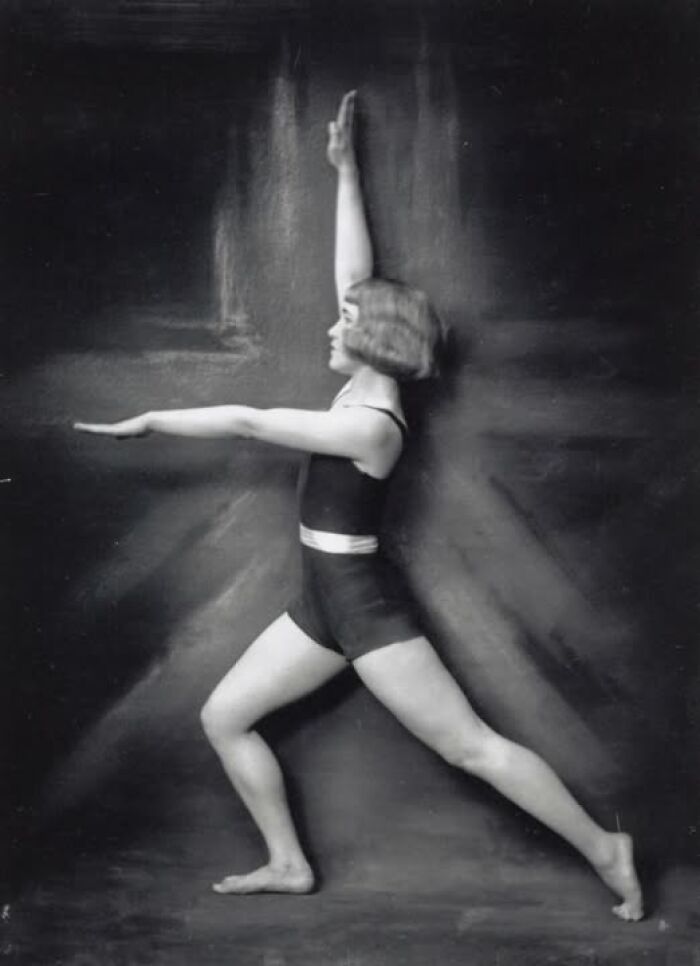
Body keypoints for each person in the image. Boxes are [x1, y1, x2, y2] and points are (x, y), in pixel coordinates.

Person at [75, 91, 643, 921]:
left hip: (365, 610)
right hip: (321, 600)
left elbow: (248, 419)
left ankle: (606, 848)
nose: (332, 326)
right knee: (226, 717)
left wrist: (153, 420)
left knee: (469, 747)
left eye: (345, 323)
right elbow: (357, 277)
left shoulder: (372, 425)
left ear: (374, 343)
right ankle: (288, 863)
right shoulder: (361, 382)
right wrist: (346, 174)